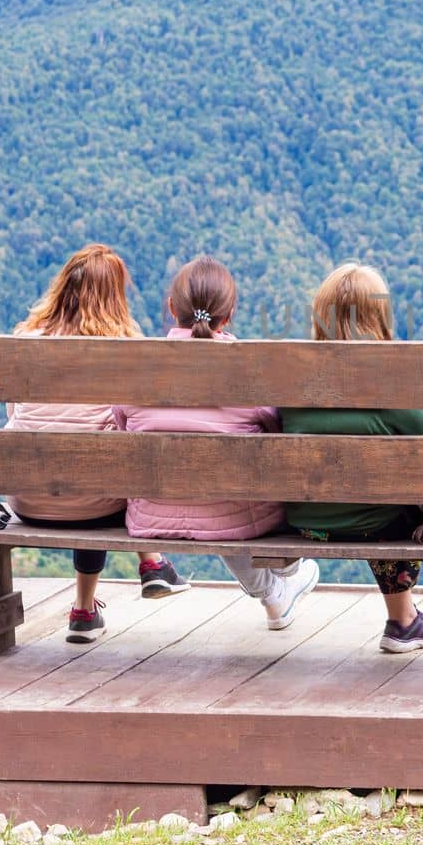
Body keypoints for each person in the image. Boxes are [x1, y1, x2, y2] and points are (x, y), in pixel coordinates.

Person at [112, 255, 320, 629]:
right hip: (235, 513)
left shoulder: (135, 368)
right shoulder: (250, 372)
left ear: (171, 308)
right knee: (255, 481)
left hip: (152, 512)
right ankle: (287, 570)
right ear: (230, 314)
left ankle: (279, 589)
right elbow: (278, 430)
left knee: (222, 497)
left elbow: (121, 422)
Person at [6, 243, 189, 644]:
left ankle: (88, 610)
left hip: (28, 499)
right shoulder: (124, 347)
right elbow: (136, 431)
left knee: (85, 465)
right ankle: (149, 567)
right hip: (96, 504)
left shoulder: (25, 341)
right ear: (115, 297)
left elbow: (13, 418)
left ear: (62, 289)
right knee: (107, 468)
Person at [279, 262, 423, 653]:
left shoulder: (289, 374)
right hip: (379, 522)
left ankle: (405, 621)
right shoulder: (392, 380)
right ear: (380, 316)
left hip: (307, 520)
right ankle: (402, 621)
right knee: (418, 486)